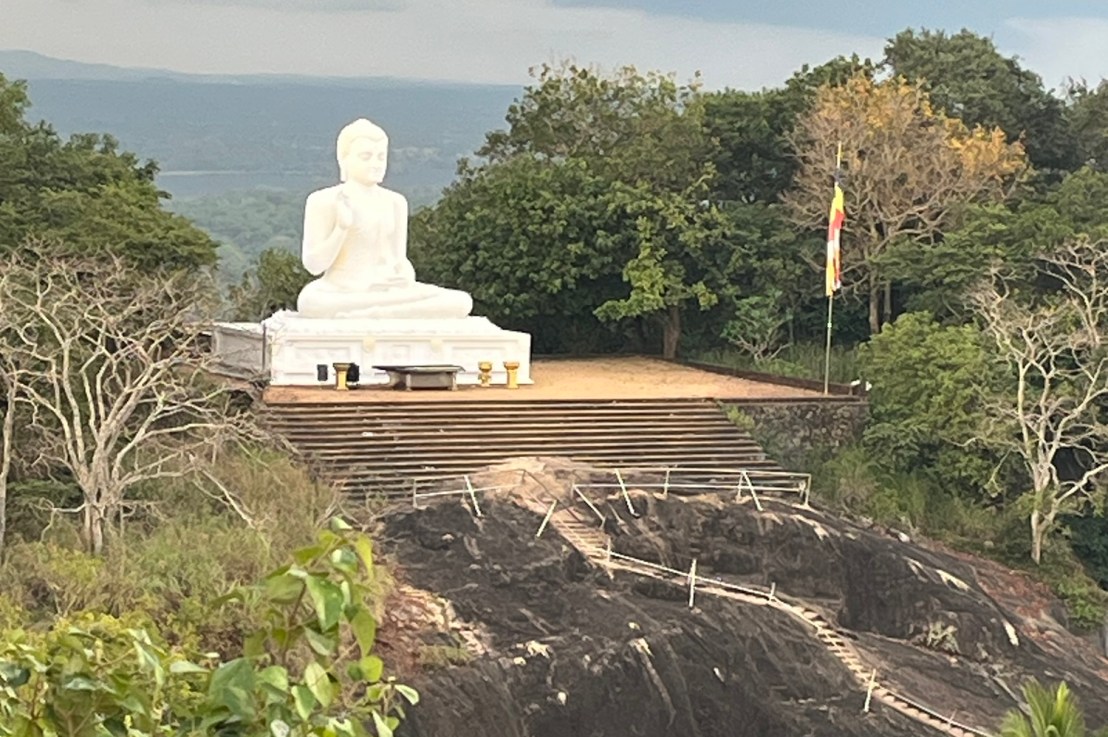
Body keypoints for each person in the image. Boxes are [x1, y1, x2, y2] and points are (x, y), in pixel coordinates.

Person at [296, 119, 473, 319]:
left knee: (461, 301)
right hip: (340, 290)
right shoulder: (324, 201)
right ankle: (386, 312)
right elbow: (314, 265)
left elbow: (399, 261)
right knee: (310, 302)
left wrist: (399, 276)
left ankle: (377, 313)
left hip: (386, 290)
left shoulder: (395, 202)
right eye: (366, 157)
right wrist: (341, 228)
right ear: (344, 159)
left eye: (381, 157)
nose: (376, 164)